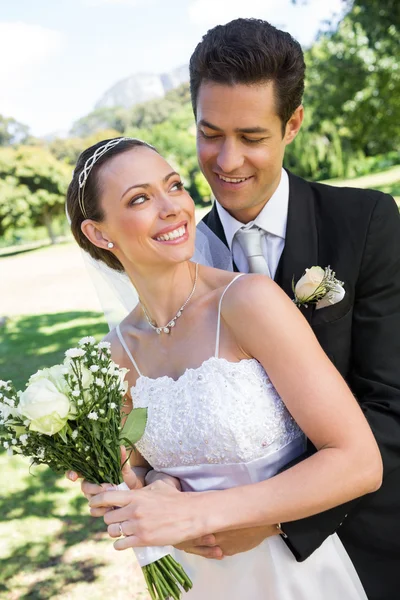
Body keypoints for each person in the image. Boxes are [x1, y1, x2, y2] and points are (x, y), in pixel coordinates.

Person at [66, 136, 382, 599]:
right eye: (140, 198)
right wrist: (136, 489)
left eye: (174, 186)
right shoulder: (113, 356)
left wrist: (204, 512)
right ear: (99, 233)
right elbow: (136, 477)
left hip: (294, 576)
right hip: (199, 581)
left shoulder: (247, 301)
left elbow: (359, 463)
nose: (172, 206)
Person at [171, 18, 399, 600]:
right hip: (225, 571)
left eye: (251, 136)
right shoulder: (179, 262)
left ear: (292, 123)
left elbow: (392, 405)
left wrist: (274, 518)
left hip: (364, 547)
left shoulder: (366, 223)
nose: (227, 161)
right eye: (209, 133)